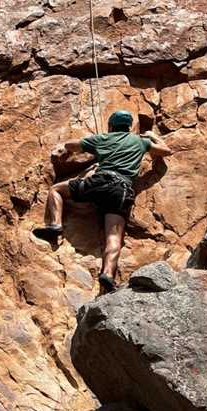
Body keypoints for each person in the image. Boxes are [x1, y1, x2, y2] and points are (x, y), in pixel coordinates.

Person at [33, 110, 172, 292]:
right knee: (114, 238)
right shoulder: (140, 141)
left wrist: (82, 143)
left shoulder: (104, 138)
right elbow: (166, 150)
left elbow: (72, 145)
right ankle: (107, 274)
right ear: (128, 127)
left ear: (111, 125)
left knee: (56, 189)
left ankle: (55, 225)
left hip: (100, 182)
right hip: (122, 190)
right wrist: (152, 135)